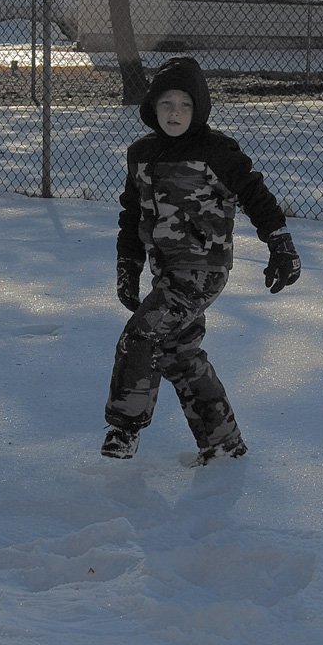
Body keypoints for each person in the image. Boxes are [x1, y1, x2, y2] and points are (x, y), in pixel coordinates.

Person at [102, 56, 301, 466]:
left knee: (140, 337)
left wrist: (280, 244)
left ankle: (124, 428)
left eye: (185, 105)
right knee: (179, 353)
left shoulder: (216, 151)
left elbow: (255, 196)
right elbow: (131, 214)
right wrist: (128, 266)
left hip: (201, 271)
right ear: (152, 108)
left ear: (200, 110)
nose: (175, 113)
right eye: (166, 104)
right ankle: (224, 444)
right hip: (165, 272)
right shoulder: (141, 154)